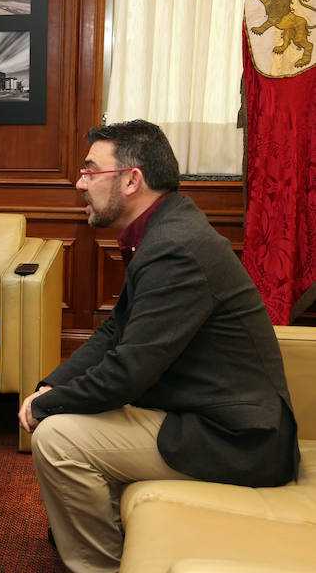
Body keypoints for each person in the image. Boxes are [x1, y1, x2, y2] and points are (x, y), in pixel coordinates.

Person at [17, 120, 300, 573]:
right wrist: (52, 385)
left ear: (131, 180)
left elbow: (128, 372)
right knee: (61, 412)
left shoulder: (174, 247)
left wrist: (47, 406)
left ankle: (102, 566)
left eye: (91, 171)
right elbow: (115, 332)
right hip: (200, 412)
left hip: (237, 440)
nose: (79, 183)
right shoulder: (166, 228)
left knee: (56, 438)